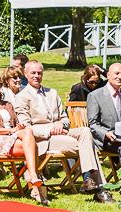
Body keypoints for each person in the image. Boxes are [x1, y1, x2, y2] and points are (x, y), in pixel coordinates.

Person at [15, 59, 111, 201]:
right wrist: (51, 129)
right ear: (26, 74)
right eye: (33, 73)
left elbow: (65, 118)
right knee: (87, 146)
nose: (36, 76)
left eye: (39, 73)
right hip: (43, 139)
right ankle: (99, 189)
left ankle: (87, 179)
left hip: (61, 133)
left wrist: (61, 124)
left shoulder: (52, 93)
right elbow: (26, 127)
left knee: (85, 131)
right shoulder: (21, 97)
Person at [0, 71, 48, 204]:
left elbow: (15, 123)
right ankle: (35, 180)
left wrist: (18, 127)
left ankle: (32, 178)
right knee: (33, 146)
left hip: (12, 137)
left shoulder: (7, 104)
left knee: (28, 133)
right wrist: (10, 130)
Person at [87, 62, 121, 170]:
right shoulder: (95, 96)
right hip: (107, 139)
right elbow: (93, 124)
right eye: (117, 73)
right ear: (108, 75)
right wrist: (106, 134)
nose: (120, 77)